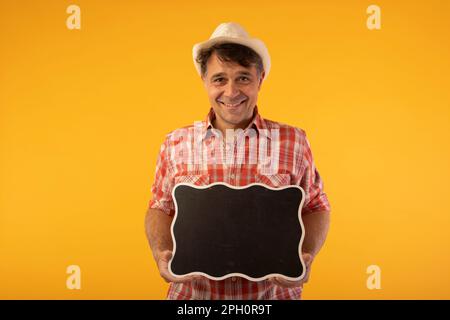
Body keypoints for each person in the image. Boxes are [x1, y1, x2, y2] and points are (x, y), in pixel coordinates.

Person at [145, 22, 331, 300]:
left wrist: (306, 253)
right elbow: (160, 207)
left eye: (243, 78)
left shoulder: (293, 141)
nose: (231, 92)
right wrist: (161, 253)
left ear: (261, 79)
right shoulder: (175, 143)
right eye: (220, 79)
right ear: (205, 81)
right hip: (194, 299)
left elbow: (316, 206)